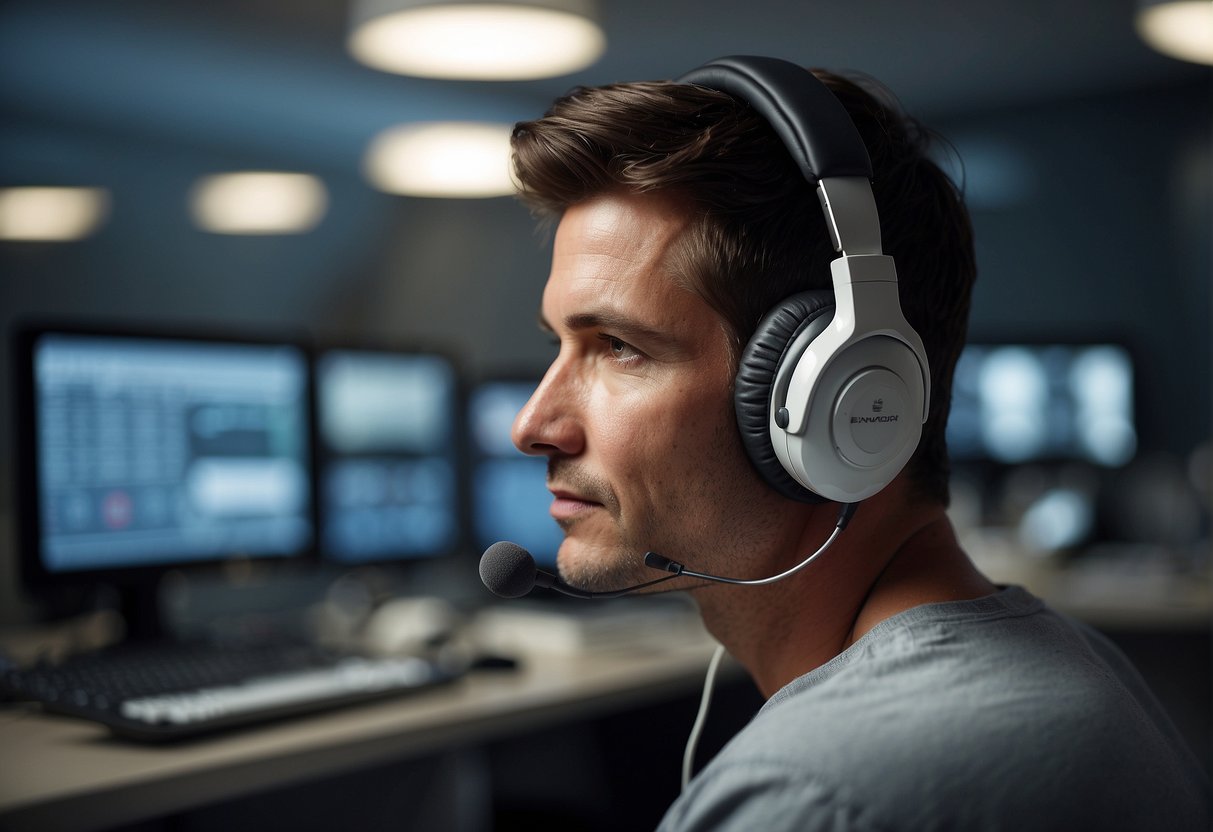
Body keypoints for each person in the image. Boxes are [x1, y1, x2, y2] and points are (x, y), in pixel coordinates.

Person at [505, 56, 1209, 830]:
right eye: (556, 345)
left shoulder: (811, 795)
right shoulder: (1071, 661)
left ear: (838, 390)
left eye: (618, 347)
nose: (531, 426)